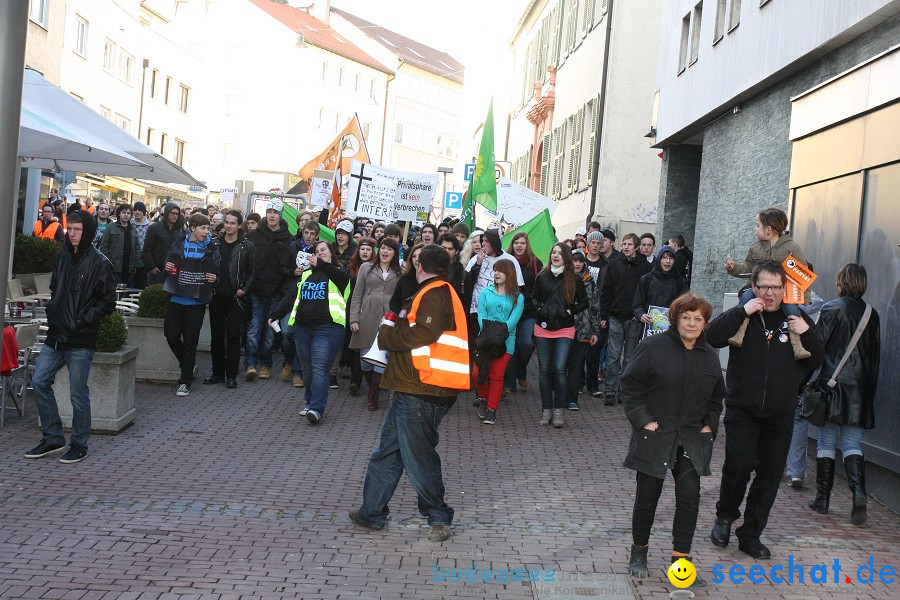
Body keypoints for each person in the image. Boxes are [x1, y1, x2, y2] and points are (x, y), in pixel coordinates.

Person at [349, 245, 470, 542]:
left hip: (424, 386)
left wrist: (388, 337)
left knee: (417, 456)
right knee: (388, 452)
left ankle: (438, 516)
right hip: (417, 386)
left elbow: (425, 334)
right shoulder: (437, 290)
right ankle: (372, 511)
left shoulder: (435, 292)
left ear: (420, 266)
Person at [706, 260, 824, 559]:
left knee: (770, 476)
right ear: (754, 287)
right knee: (739, 465)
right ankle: (724, 517)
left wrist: (806, 335)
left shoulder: (795, 318)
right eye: (763, 287)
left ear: (785, 289)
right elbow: (712, 336)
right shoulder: (745, 316)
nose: (769, 293)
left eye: (775, 287)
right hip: (742, 408)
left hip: (780, 413)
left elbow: (816, 359)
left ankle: (751, 534)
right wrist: (741, 310)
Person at [622, 292, 724, 587]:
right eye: (686, 317)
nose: (691, 324)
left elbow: (717, 398)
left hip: (692, 438)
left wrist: (710, 426)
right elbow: (630, 385)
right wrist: (643, 420)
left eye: (698, 319)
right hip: (656, 434)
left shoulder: (709, 357)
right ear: (675, 319)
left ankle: (681, 562)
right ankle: (639, 552)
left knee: (690, 499)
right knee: (647, 498)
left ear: (705, 323)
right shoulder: (652, 347)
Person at [24, 211, 117, 465]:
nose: (72, 233)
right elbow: (56, 290)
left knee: (78, 394)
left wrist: (82, 320)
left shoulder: (100, 262)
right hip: (56, 334)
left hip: (80, 338)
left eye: (77, 229)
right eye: (70, 229)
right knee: (40, 381)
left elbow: (109, 302)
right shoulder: (62, 257)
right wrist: (54, 312)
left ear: (86, 231)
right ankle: (53, 437)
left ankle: (79, 444)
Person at [808, 264, 881, 525]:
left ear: (841, 281)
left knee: (826, 442)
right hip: (859, 391)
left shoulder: (830, 308)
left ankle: (822, 500)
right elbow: (874, 359)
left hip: (832, 384)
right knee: (852, 444)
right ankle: (859, 494)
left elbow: (817, 348)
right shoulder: (872, 314)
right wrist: (868, 394)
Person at [270, 240, 351, 423]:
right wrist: (276, 314)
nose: (320, 252)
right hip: (302, 328)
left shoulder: (340, 274)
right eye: (316, 251)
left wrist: (320, 264)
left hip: (328, 328)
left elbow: (340, 278)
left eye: (323, 250)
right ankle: (309, 402)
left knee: (320, 368)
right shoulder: (306, 275)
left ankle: (316, 408)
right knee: (307, 371)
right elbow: (291, 296)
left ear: (331, 253)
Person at [725, 207, 811, 359]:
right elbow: (748, 268)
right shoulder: (755, 247)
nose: (754, 229)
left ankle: (797, 345)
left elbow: (803, 273)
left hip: (783, 291)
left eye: (757, 225)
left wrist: (806, 296)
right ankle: (739, 333)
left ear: (769, 230)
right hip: (758, 289)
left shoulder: (792, 248)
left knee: (792, 310)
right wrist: (734, 268)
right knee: (746, 299)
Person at [162, 213, 220, 397]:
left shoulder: (212, 248)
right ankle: (187, 364)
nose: (206, 232)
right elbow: (168, 263)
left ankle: (185, 381)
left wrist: (215, 278)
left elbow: (217, 272)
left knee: (190, 342)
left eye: (208, 228)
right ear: (192, 227)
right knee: (171, 334)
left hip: (197, 302)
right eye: (203, 228)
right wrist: (167, 267)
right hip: (176, 298)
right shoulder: (179, 244)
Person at [532, 243, 588, 428]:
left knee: (559, 369)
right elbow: (534, 298)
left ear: (566, 257)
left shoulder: (574, 279)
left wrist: (570, 311)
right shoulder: (542, 276)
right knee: (544, 370)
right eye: (553, 252)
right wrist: (541, 308)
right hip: (543, 327)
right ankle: (546, 410)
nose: (555, 255)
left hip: (565, 328)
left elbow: (584, 302)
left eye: (559, 253)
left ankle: (558, 412)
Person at [204, 210, 255, 389]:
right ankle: (217, 372)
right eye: (226, 222)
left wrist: (244, 290)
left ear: (239, 225)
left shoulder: (247, 245)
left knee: (233, 336)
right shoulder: (214, 244)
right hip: (217, 295)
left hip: (235, 297)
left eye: (233, 223)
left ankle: (231, 374)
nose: (229, 226)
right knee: (216, 336)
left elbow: (252, 272)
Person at [599, 233, 652, 406]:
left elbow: (647, 293)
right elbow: (606, 292)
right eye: (624, 244)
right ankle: (609, 391)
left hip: (635, 318)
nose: (626, 247)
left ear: (636, 247)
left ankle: (625, 391)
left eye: (629, 244)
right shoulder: (614, 266)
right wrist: (604, 316)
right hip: (615, 316)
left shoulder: (645, 267)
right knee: (614, 356)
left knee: (630, 357)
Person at [349, 238, 401, 410]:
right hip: (367, 316)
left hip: (388, 319)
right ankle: (372, 385)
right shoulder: (366, 268)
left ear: (395, 252)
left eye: (390, 249)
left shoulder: (399, 271)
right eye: (383, 248)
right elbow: (357, 295)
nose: (385, 252)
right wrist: (354, 318)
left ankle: (373, 394)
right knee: (365, 359)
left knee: (380, 358)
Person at [245, 198, 292, 381]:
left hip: (276, 293)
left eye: (276, 212)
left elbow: (287, 266)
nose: (272, 215)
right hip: (256, 291)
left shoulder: (288, 239)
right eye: (269, 211)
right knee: (253, 329)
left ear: (280, 216)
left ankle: (265, 364)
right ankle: (250, 364)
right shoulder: (254, 236)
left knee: (270, 333)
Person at [472, 259, 523, 425]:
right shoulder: (486, 292)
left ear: (510, 274)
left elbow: (513, 320)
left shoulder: (517, 297)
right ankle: (484, 398)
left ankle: (491, 409)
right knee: (476, 372)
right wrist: (489, 334)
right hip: (485, 340)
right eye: (495, 270)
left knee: (496, 376)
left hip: (505, 342)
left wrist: (498, 335)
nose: (496, 274)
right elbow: (481, 315)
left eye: (500, 271)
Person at [464, 229, 525, 358]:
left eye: (486, 241)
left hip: (500, 314)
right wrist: (478, 264)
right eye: (482, 241)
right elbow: (466, 283)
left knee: (498, 353)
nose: (483, 244)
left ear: (495, 242)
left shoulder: (510, 260)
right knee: (476, 351)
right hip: (477, 311)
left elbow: (517, 287)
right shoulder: (476, 258)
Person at [503, 232, 543, 393]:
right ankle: (510, 382)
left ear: (527, 245)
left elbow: (540, 286)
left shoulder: (535, 263)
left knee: (526, 343)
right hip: (510, 309)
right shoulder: (505, 261)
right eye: (516, 243)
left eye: (522, 243)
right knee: (510, 345)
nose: (519, 246)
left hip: (529, 311)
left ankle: (521, 370)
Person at [565, 250, 599, 410]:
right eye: (574, 260)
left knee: (576, 366)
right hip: (564, 327)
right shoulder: (564, 279)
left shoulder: (589, 281)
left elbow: (595, 307)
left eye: (580, 261)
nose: (577, 263)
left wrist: (594, 331)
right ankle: (559, 395)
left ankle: (572, 399)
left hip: (583, 329)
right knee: (561, 364)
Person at [345, 238, 377, 395]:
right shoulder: (351, 267)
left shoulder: (375, 269)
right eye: (362, 249)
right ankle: (353, 376)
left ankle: (356, 381)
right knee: (352, 346)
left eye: (368, 249)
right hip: (351, 308)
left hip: (368, 311)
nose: (365, 252)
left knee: (361, 347)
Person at [633, 246, 689, 327]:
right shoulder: (647, 279)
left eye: (671, 258)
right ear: (659, 259)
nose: (668, 261)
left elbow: (685, 306)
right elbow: (637, 305)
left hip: (671, 328)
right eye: (664, 258)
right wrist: (641, 315)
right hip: (649, 326)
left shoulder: (680, 281)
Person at [583, 231, 609, 397]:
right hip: (581, 310)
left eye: (598, 243)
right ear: (588, 244)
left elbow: (607, 291)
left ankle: (592, 384)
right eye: (593, 242)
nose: (595, 245)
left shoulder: (606, 264)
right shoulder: (581, 262)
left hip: (597, 311)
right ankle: (577, 382)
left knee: (594, 350)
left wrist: (603, 316)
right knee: (578, 351)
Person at [143, 203, 184, 285]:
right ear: (166, 213)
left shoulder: (179, 230)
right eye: (172, 213)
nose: (174, 216)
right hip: (157, 269)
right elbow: (147, 249)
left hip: (173, 270)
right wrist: (152, 267)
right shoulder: (154, 228)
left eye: (177, 214)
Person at [98, 203, 139, 286]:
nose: (126, 215)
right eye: (123, 212)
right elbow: (104, 246)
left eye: (128, 213)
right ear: (119, 214)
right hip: (114, 266)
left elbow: (137, 247)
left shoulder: (133, 228)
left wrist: (136, 263)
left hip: (129, 267)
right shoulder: (111, 227)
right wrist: (107, 263)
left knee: (127, 293)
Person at [389, 243, 423, 314]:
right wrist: (401, 315)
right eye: (414, 256)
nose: (416, 259)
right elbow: (394, 302)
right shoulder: (405, 278)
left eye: (420, 256)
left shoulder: (433, 280)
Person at [130, 202, 151, 289]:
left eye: (140, 210)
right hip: (132, 255)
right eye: (135, 210)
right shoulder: (130, 223)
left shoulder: (149, 225)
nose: (137, 212)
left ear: (144, 212)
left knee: (142, 281)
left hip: (144, 257)